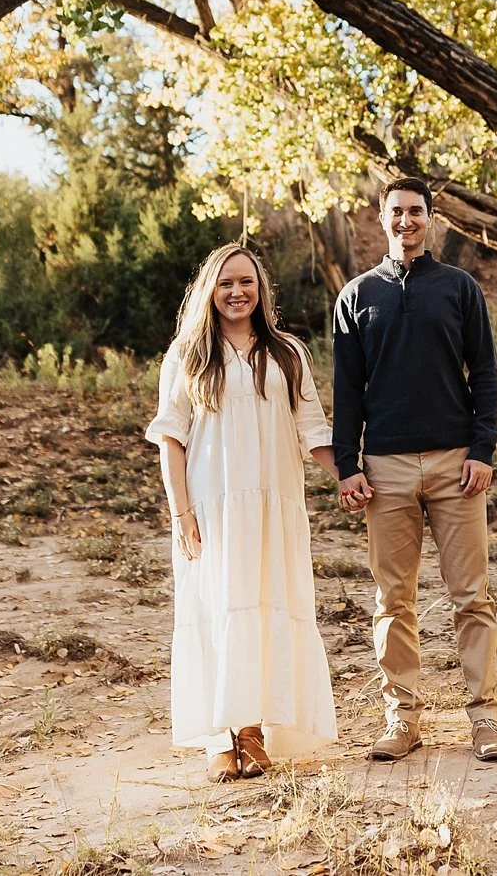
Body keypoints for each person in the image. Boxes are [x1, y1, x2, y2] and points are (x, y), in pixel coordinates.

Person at [332, 177, 497, 763]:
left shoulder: (459, 289)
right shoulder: (356, 296)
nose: (405, 221)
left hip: (455, 465)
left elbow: (484, 373)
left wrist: (482, 450)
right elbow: (347, 390)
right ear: (380, 220)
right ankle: (402, 720)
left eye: (415, 212)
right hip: (384, 468)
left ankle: (484, 719)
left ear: (430, 219)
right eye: (395, 213)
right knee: (392, 601)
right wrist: (346, 466)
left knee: (471, 597)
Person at [148, 243, 339, 783]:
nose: (237, 292)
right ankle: (218, 736)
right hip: (211, 506)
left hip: (274, 504)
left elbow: (313, 432)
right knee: (217, 609)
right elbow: (170, 439)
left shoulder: (287, 354)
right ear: (210, 289)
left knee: (263, 604)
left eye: (247, 282)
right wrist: (181, 512)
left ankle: (252, 730)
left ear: (261, 291)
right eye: (227, 282)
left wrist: (350, 475)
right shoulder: (187, 355)